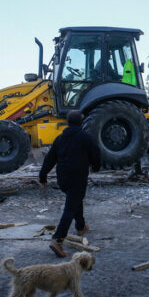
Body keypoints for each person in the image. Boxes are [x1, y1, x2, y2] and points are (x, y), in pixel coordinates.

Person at [39, 110, 101, 257]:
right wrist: (96, 167)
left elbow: (49, 159)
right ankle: (57, 240)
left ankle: (81, 226)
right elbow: (96, 154)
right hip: (77, 177)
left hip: (62, 179)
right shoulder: (86, 137)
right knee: (70, 207)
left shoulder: (60, 138)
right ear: (81, 122)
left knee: (75, 200)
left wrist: (43, 176)